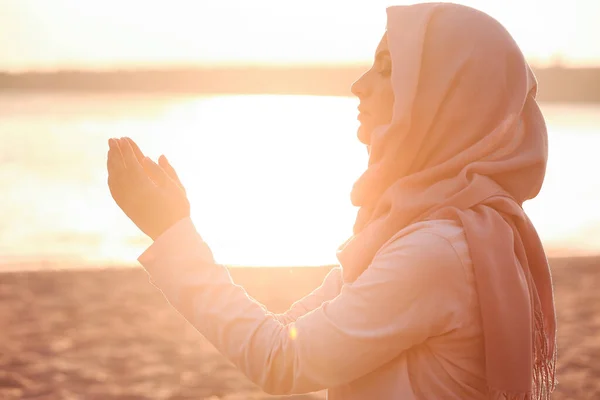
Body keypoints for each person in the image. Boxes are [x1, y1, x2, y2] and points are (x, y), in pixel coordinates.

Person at [106, 3, 557, 399]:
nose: (358, 85)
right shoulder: (413, 234)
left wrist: (171, 232)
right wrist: (173, 230)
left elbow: (283, 361)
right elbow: (285, 335)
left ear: (444, 99)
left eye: (386, 68)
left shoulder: (438, 251)